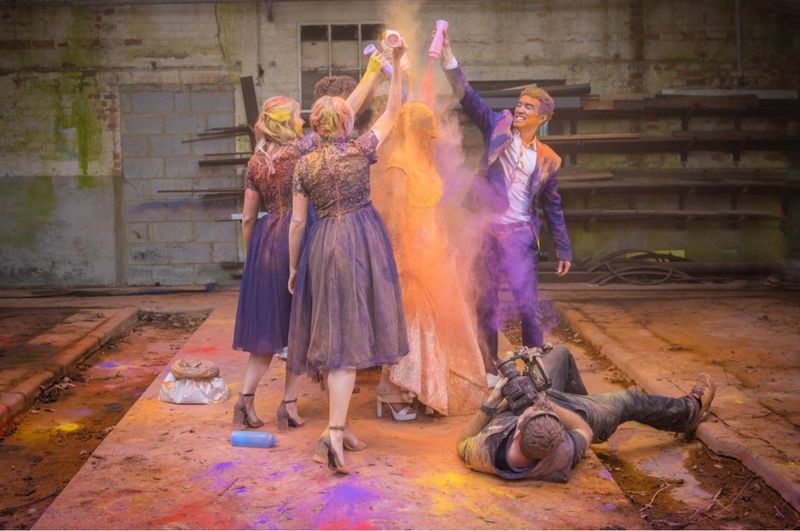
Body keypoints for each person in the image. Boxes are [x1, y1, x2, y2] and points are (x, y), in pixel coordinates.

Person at [231, 54, 388, 431]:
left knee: (267, 330)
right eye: (297, 117)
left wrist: (253, 252)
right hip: (296, 238)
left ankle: (245, 400)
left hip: (265, 240)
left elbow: (249, 215)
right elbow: (341, 113)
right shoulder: (299, 151)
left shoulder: (256, 161)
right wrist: (370, 74)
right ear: (287, 124)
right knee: (300, 327)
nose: (303, 120)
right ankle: (287, 404)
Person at [287, 42, 408, 474]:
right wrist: (395, 66)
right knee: (346, 340)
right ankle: (334, 432)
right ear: (346, 122)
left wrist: (295, 266)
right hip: (359, 241)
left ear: (315, 125)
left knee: (340, 333)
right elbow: (394, 113)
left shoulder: (303, 165)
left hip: (322, 244)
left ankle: (344, 425)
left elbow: (297, 224)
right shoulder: (359, 151)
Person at [438, 28, 572, 377]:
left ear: (543, 117)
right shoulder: (498, 127)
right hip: (487, 230)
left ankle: (535, 369)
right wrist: (449, 57)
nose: (520, 108)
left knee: (528, 307)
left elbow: (553, 207)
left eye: (529, 106)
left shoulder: (549, 159)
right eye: (520, 103)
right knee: (486, 304)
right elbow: (467, 96)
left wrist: (564, 248)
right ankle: (490, 370)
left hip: (520, 237)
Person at [374, 101, 486, 419]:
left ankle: (428, 387)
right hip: (411, 247)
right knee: (413, 318)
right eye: (427, 132)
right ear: (416, 130)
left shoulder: (424, 159)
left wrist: (444, 242)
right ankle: (391, 390)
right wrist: (402, 256)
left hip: (432, 243)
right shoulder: (397, 162)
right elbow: (395, 217)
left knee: (436, 318)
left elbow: (433, 208)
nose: (431, 138)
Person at [457, 346, 716, 482]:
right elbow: (584, 431)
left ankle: (579, 398)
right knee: (630, 400)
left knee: (560, 354)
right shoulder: (562, 453)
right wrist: (545, 404)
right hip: (572, 414)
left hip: (547, 404)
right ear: (559, 436)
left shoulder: (484, 454)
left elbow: (461, 441)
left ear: (516, 435)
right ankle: (690, 411)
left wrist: (492, 401)